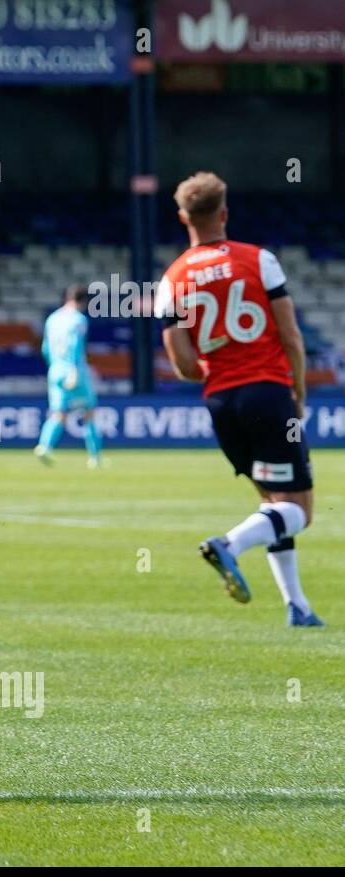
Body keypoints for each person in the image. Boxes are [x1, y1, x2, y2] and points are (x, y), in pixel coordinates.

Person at [157, 171, 322, 627]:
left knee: (273, 504)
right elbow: (290, 335)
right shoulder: (259, 261)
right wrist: (299, 391)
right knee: (299, 511)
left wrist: (219, 365)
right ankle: (228, 545)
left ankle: (298, 607)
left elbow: (184, 366)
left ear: (182, 217)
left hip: (222, 403)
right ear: (225, 213)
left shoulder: (172, 279)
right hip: (268, 393)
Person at [34, 284, 102, 468]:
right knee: (89, 412)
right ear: (83, 301)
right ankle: (95, 458)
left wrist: (54, 367)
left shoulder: (52, 319)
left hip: (55, 370)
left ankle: (44, 447)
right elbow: (75, 345)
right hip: (74, 370)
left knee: (58, 413)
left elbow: (45, 348)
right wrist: (72, 369)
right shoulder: (78, 320)